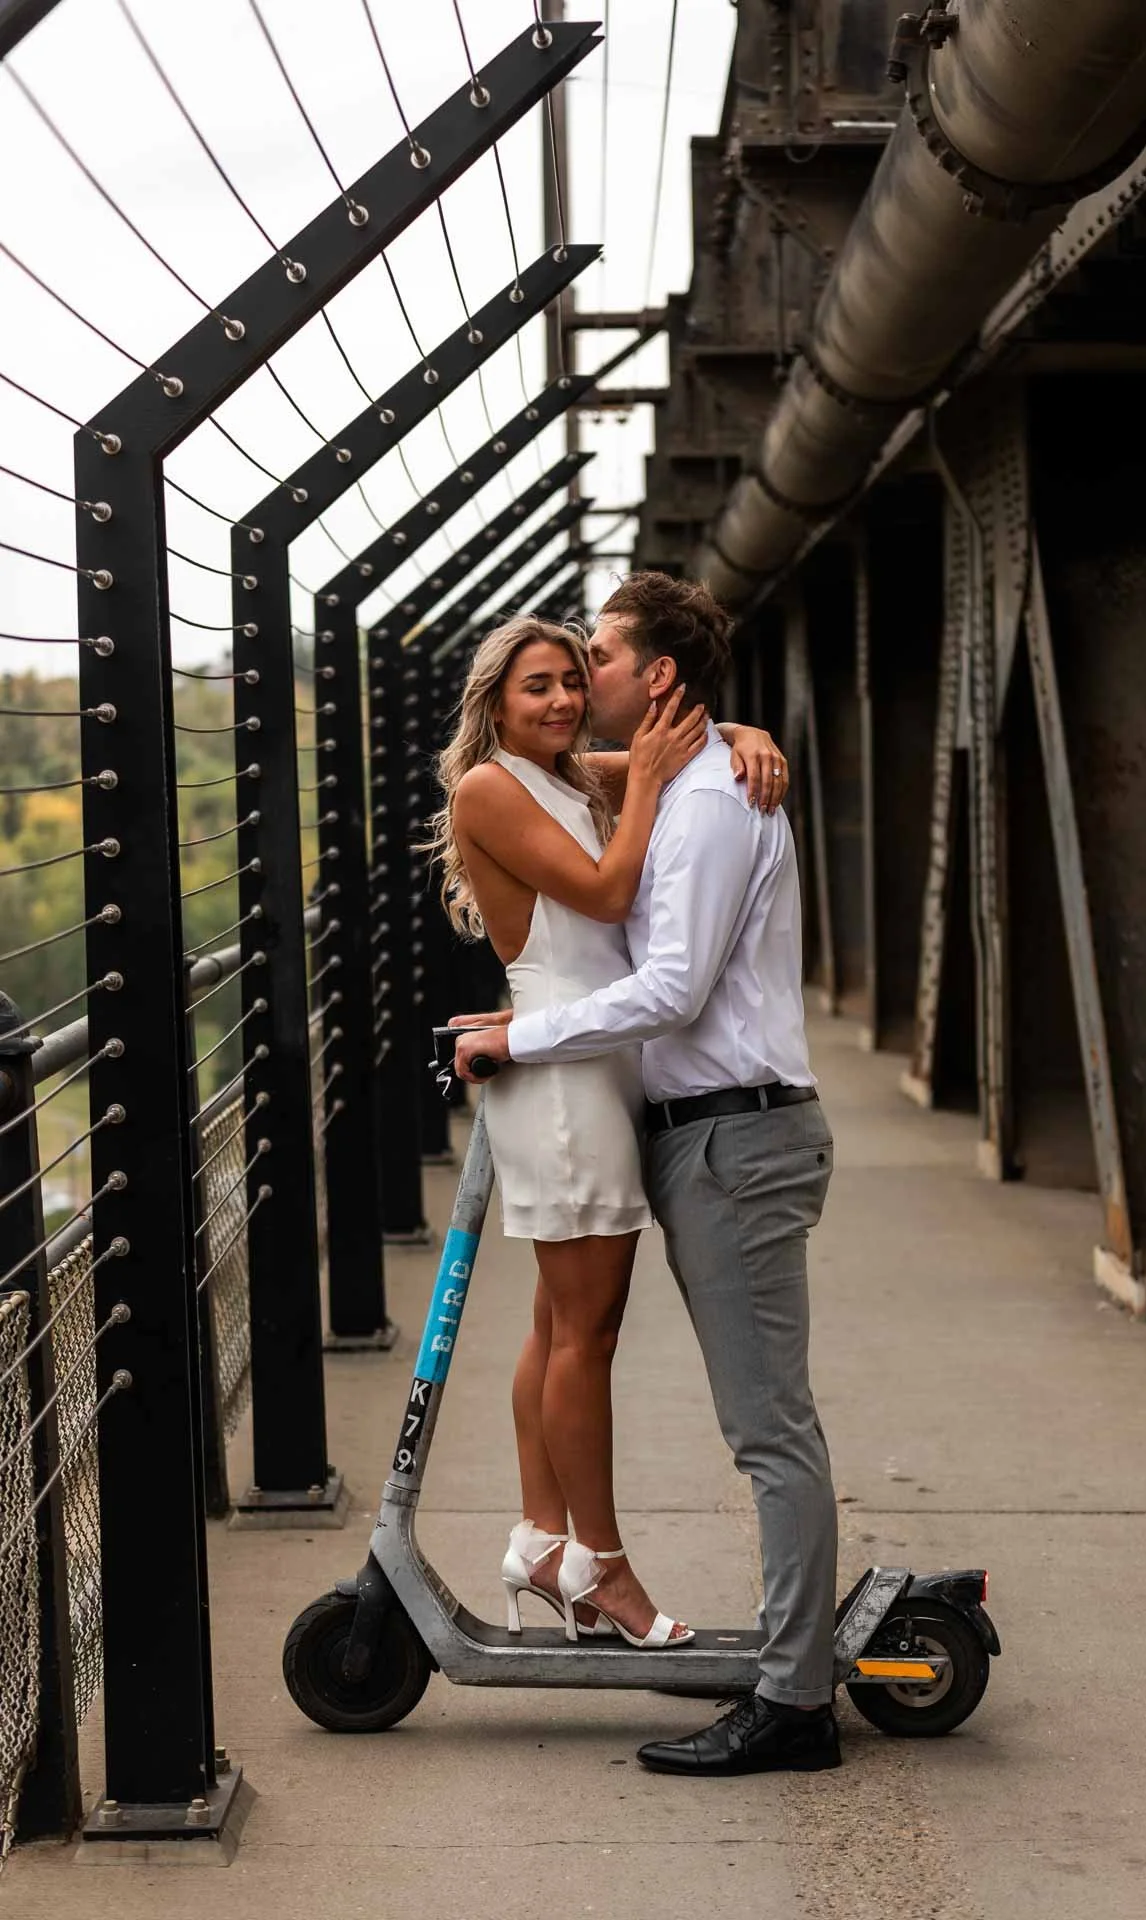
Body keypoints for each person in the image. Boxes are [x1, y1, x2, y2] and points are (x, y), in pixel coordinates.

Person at [454, 573, 840, 1778]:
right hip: (606, 1091)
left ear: (651, 678)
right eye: (548, 679)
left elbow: (659, 965)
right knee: (575, 1333)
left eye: (592, 664)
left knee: (709, 1400)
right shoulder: (528, 782)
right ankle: (570, 1552)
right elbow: (613, 898)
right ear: (500, 704)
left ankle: (786, 1700)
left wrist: (727, 736)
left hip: (698, 1114)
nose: (575, 688)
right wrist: (709, 741)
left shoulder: (653, 786)